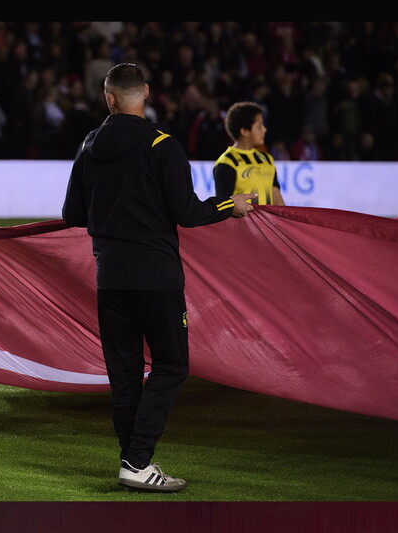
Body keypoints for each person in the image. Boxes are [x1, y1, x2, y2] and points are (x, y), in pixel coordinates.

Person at [61, 63, 256, 493]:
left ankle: (133, 459)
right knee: (171, 365)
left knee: (126, 373)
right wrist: (229, 206)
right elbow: (187, 212)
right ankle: (137, 458)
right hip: (156, 276)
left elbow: (71, 214)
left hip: (110, 277)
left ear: (108, 98)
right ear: (145, 92)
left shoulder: (89, 146)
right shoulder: (162, 145)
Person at [213, 101, 286, 206]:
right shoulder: (226, 163)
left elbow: (276, 194)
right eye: (259, 126)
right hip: (242, 223)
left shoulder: (267, 158)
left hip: (265, 223)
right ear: (244, 131)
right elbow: (223, 207)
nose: (264, 130)